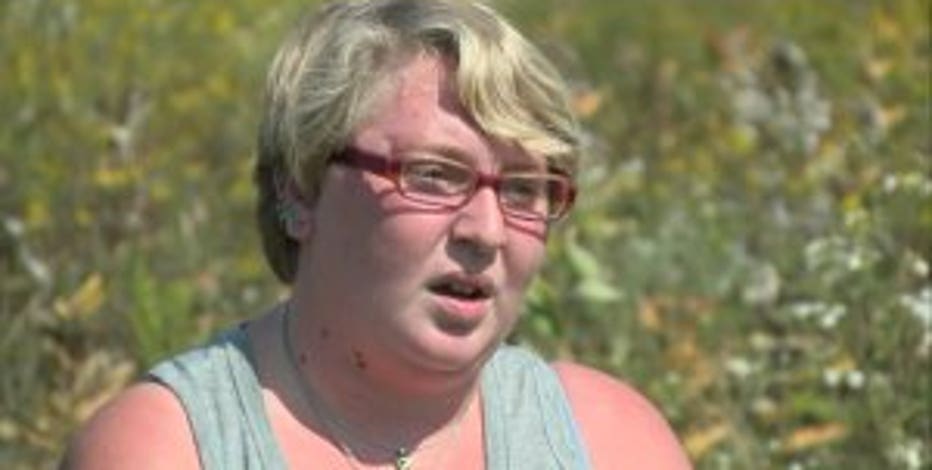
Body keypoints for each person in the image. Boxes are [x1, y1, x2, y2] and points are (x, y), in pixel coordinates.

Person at [64, 0, 691, 468]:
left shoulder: (611, 443)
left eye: (525, 189)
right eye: (433, 175)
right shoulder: (167, 448)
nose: (487, 230)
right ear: (300, 189)